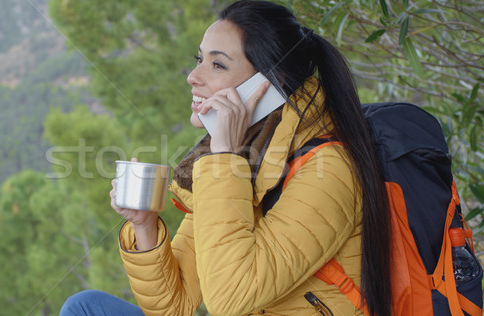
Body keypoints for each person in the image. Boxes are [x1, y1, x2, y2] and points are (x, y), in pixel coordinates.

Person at [60, 0, 392, 315]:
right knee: (84, 307)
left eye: (217, 64)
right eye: (199, 58)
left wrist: (224, 158)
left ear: (269, 86)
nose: (193, 76)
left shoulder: (330, 170)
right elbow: (175, 308)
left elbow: (228, 298)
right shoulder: (245, 157)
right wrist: (144, 225)